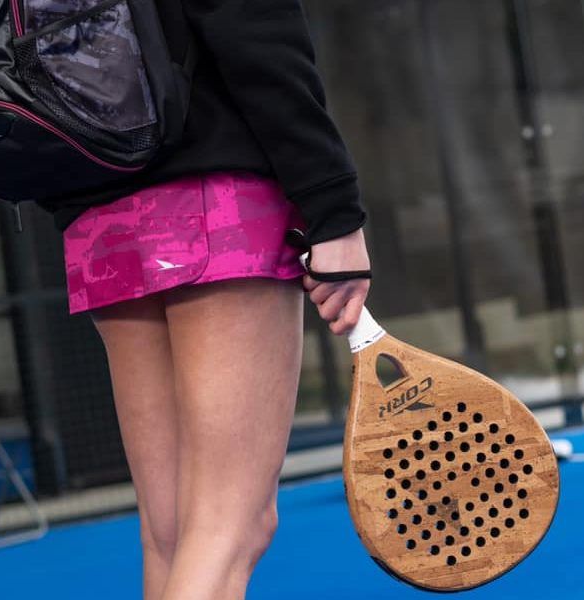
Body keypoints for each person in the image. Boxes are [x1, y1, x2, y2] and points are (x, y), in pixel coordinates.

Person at [47, 1, 371, 598]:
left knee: (170, 536)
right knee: (230, 526)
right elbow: (253, 25)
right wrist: (334, 209)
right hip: (213, 200)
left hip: (98, 211)